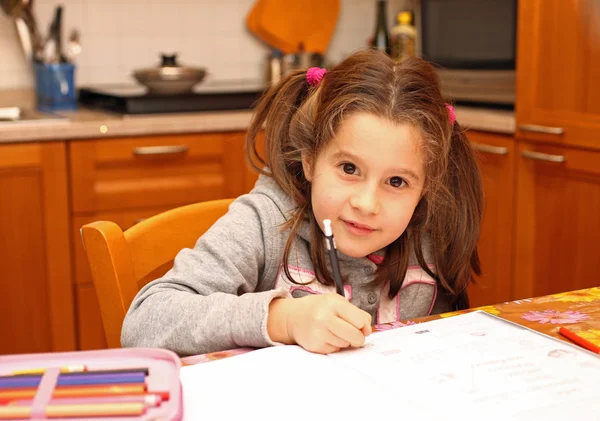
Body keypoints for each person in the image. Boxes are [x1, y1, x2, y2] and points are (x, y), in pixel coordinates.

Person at [121, 49, 483, 357]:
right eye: (349, 168)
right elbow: (145, 322)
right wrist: (284, 319)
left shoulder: (429, 235)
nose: (367, 203)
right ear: (309, 160)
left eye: (396, 181)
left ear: (424, 188)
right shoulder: (266, 222)